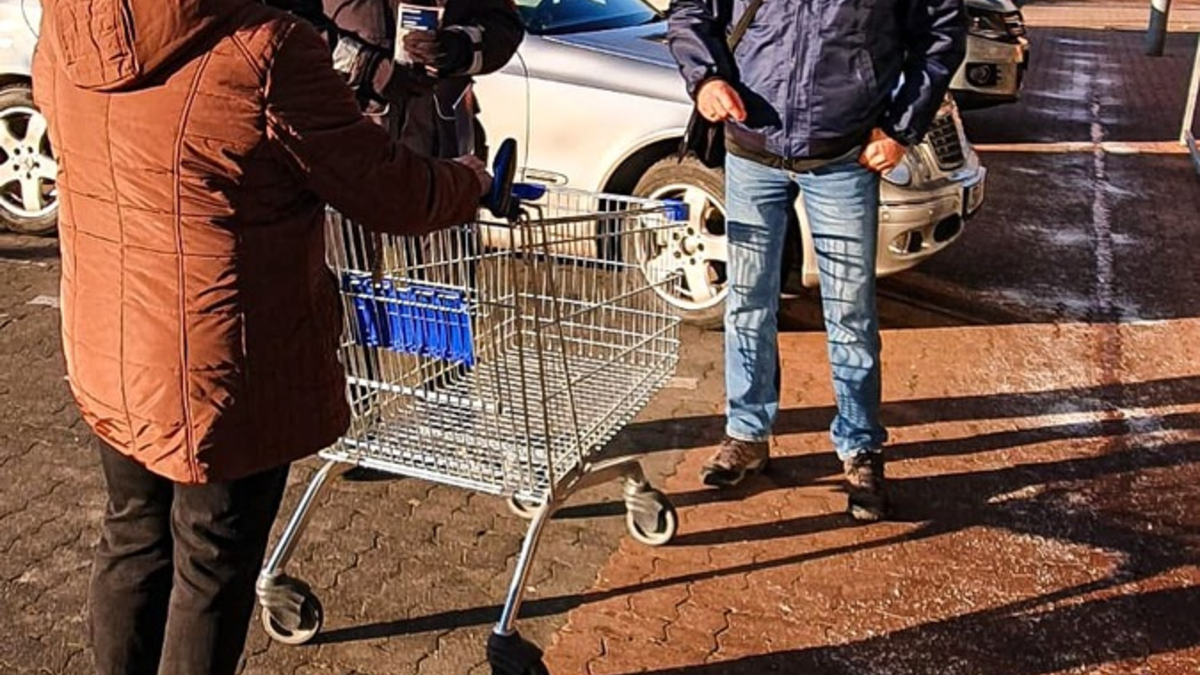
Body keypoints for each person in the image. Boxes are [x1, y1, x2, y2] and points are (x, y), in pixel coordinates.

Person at [31, 1, 490, 673]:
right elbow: (389, 189)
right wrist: (468, 181)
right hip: (224, 365)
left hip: (110, 342)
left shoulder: (66, 27)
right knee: (211, 560)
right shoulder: (264, 50)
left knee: (133, 534)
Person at [667, 0, 967, 521]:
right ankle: (746, 433)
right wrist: (706, 77)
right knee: (747, 304)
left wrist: (901, 129)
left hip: (844, 156)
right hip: (751, 147)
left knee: (850, 313)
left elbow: (941, 33)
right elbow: (690, 9)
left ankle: (860, 446)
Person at [322, 0, 524, 159]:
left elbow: (504, 26)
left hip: (443, 148)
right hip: (351, 143)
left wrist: (460, 47)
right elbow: (305, 31)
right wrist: (372, 69)